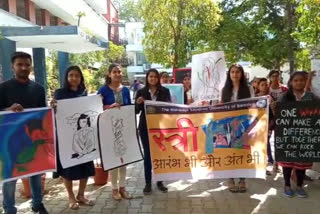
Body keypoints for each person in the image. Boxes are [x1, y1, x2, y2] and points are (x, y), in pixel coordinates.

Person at [0, 52, 48, 214]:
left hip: (32, 139)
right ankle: (9, 209)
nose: (24, 67)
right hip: (10, 140)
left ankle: (37, 204)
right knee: (10, 177)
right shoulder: (3, 88)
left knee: (36, 172)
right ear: (12, 67)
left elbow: (43, 114)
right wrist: (7, 109)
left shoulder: (38, 89)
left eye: (27, 64)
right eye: (20, 64)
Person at [51, 66, 95, 210]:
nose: (74, 78)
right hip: (65, 138)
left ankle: (81, 195)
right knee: (68, 169)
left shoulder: (84, 92)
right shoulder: (59, 93)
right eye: (71, 75)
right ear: (66, 77)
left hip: (84, 137)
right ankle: (70, 196)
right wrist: (53, 107)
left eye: (77, 75)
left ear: (81, 78)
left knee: (85, 166)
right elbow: (55, 114)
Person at [277, 71, 319, 198]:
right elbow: (278, 113)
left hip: (305, 135)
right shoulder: (284, 96)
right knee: (288, 162)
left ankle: (300, 186)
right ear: (291, 82)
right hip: (288, 135)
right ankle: (287, 185)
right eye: (296, 80)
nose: (299, 82)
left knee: (301, 163)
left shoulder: (311, 97)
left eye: (301, 80)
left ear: (305, 81)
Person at [97, 64, 132, 200]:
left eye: (119, 72)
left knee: (124, 159)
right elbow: (96, 109)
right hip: (109, 130)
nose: (117, 74)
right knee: (114, 160)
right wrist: (109, 107)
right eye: (114, 72)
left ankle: (123, 188)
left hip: (124, 128)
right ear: (109, 74)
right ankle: (114, 189)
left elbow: (129, 107)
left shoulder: (125, 90)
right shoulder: (103, 90)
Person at [135, 69, 171, 194]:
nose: (153, 79)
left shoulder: (165, 91)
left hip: (160, 128)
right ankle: (148, 183)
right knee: (148, 156)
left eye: (155, 77)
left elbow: (169, 109)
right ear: (147, 78)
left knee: (160, 155)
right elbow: (136, 111)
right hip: (145, 128)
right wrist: (138, 103)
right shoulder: (141, 91)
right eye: (151, 76)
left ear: (158, 78)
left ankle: (160, 181)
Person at [220, 64, 254, 193]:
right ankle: (230, 179)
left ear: (242, 74)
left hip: (243, 125)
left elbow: (253, 105)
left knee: (243, 152)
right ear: (229, 74)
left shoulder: (249, 88)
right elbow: (221, 107)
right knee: (229, 151)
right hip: (228, 126)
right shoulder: (224, 90)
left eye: (237, 72)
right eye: (232, 72)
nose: (235, 74)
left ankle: (242, 180)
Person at [255, 78, 275, 175]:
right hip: (256, 127)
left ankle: (265, 166)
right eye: (262, 85)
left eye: (266, 85)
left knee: (265, 146)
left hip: (267, 126)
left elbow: (273, 114)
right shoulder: (254, 98)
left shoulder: (270, 98)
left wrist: (270, 126)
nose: (264, 87)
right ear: (258, 86)